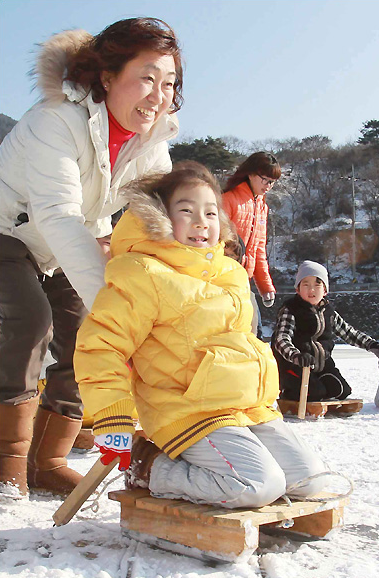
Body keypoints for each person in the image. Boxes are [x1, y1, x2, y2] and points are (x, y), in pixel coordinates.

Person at [74, 162, 327, 511]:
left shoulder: (229, 273)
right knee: (258, 485)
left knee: (309, 478)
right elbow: (102, 345)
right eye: (186, 211)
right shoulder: (142, 272)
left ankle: (230, 463)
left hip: (245, 407)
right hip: (186, 409)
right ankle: (150, 467)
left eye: (210, 213)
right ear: (159, 216)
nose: (200, 223)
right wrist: (113, 414)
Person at [0, 17, 183, 496]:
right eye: (146, 77)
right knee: (30, 321)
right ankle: (7, 463)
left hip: (74, 239)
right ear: (106, 76)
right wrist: (114, 307)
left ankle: (48, 460)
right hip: (7, 231)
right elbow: (57, 215)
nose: (158, 95)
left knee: (90, 336)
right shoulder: (54, 119)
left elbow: (157, 223)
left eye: (169, 83)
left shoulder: (153, 142)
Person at [271, 260, 379, 402]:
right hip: (295, 366)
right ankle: (289, 394)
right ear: (297, 289)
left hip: (322, 366)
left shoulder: (328, 312)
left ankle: (317, 387)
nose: (311, 290)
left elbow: (348, 332)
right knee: (315, 393)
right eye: (306, 285)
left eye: (317, 285)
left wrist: (372, 345)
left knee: (341, 390)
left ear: (325, 290)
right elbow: (281, 339)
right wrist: (296, 355)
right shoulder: (291, 309)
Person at [222, 152, 281, 340]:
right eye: (265, 180)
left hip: (243, 281)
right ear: (250, 174)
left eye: (272, 182)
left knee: (254, 334)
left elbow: (259, 249)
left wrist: (265, 286)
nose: (268, 186)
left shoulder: (262, 207)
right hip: (222, 280)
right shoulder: (229, 200)